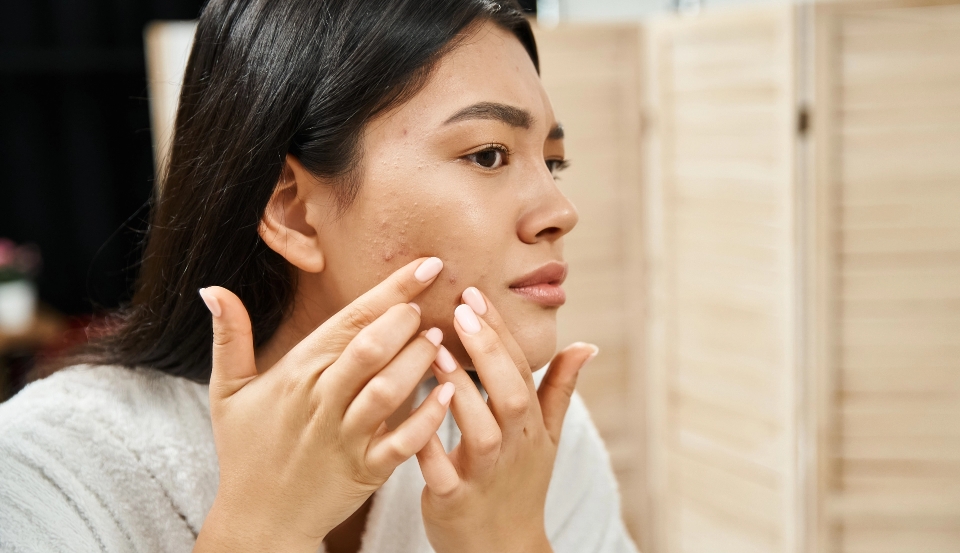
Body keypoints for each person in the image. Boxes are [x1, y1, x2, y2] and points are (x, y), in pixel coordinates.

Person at [0, 1, 639, 552]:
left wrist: (509, 542)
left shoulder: (518, 439)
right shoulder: (45, 469)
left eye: (552, 162)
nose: (561, 212)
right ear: (295, 212)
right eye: (489, 154)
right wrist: (259, 531)